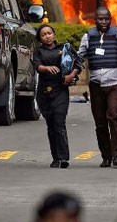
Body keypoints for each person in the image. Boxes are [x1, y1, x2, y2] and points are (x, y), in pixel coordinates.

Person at [77, 6, 117, 168]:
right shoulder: (88, 36)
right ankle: (106, 156)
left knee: (114, 116)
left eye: (106, 19)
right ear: (95, 20)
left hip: (115, 84)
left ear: (110, 19)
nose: (103, 21)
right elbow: (80, 56)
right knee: (100, 122)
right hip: (96, 85)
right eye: (100, 19)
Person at [32, 24, 82, 168]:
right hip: (45, 92)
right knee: (51, 125)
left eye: (49, 33)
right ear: (40, 38)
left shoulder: (64, 48)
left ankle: (63, 157)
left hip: (61, 90)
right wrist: (47, 68)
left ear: (54, 34)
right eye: (43, 35)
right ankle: (55, 157)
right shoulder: (38, 51)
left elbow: (78, 63)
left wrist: (71, 75)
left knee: (59, 122)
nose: (47, 36)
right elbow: (38, 66)